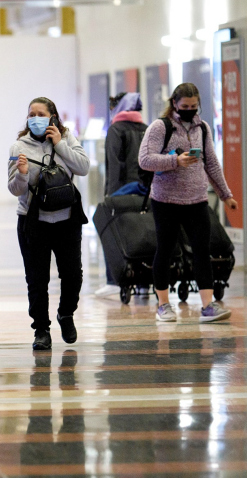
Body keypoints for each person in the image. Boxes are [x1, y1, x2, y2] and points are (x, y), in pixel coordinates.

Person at [138, 82, 238, 323]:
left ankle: (208, 305)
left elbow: (212, 163)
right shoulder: (160, 127)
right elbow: (145, 160)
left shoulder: (202, 128)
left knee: (202, 251)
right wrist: (175, 161)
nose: (189, 110)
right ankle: (163, 304)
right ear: (174, 103)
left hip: (197, 200)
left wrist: (226, 195)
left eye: (194, 106)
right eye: (185, 106)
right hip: (166, 200)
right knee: (166, 250)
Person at [9, 97, 90, 350]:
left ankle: (66, 314)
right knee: (36, 279)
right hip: (33, 222)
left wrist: (60, 144)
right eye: (31, 113)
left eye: (41, 113)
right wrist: (22, 174)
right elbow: (14, 189)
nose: (35, 117)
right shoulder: (18, 146)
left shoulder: (68, 139)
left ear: (53, 117)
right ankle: (41, 330)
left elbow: (84, 167)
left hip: (67, 220)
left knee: (73, 275)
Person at [95, 92, 150, 299]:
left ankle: (114, 280)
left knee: (114, 233)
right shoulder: (146, 129)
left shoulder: (116, 130)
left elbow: (114, 166)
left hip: (122, 192)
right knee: (143, 234)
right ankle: (144, 282)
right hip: (145, 191)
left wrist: (110, 196)